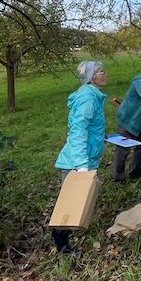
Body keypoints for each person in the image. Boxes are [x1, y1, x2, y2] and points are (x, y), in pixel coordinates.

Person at [51, 61, 107, 253]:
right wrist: (81, 164)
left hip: (84, 158)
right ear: (91, 77)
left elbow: (90, 128)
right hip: (76, 162)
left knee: (75, 202)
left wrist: (101, 139)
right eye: (100, 72)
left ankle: (65, 238)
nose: (104, 74)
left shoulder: (92, 95)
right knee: (68, 205)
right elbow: (78, 131)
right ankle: (63, 247)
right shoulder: (88, 99)